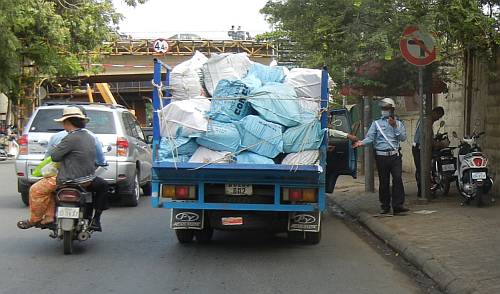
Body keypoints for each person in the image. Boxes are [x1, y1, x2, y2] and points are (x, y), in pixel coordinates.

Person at [17, 107, 109, 231]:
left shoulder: (69, 138)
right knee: (103, 186)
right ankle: (96, 219)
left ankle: (35, 219)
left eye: (63, 122)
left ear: (68, 122)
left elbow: (54, 157)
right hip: (88, 180)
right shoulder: (90, 137)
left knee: (36, 190)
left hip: (67, 180)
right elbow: (99, 159)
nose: (63, 125)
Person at [353, 98, 409, 214]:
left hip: (395, 155)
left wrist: (394, 127)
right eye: (383, 108)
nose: (384, 111)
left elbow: (403, 138)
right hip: (381, 156)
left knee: (397, 179)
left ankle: (398, 205)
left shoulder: (398, 123)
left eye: (387, 108)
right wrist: (361, 143)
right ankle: (385, 206)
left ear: (392, 109)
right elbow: (370, 137)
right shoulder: (376, 123)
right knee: (384, 181)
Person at [412, 106, 445, 198]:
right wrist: (440, 144)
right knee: (422, 170)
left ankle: (424, 191)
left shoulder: (425, 120)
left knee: (423, 169)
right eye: (439, 116)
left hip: (420, 148)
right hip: (419, 149)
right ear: (434, 113)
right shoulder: (426, 121)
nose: (438, 119)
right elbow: (428, 139)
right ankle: (422, 192)